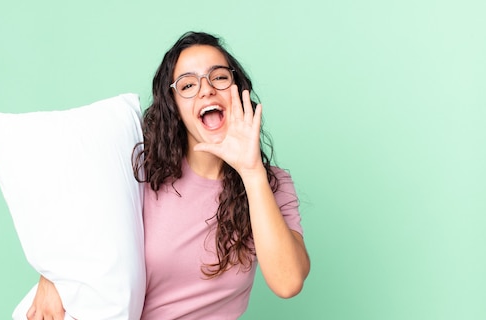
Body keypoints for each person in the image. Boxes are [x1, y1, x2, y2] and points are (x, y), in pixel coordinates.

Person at [26, 31, 310, 320]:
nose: (206, 89)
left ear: (237, 89)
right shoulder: (141, 171)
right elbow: (81, 230)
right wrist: (52, 276)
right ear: (174, 106)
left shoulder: (270, 184)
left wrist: (251, 173)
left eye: (220, 77)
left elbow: (288, 282)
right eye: (188, 84)